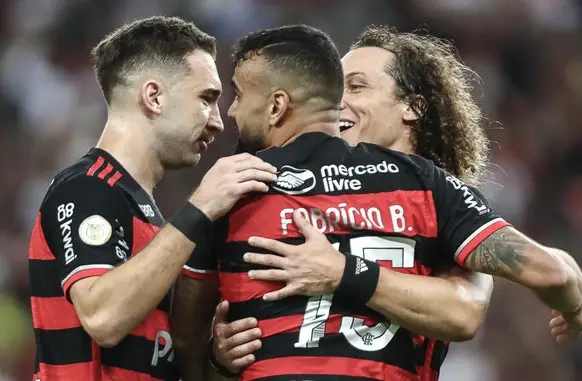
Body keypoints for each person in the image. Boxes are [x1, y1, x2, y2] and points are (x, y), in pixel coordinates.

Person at [209, 26, 582, 379]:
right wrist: (221, 354)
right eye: (336, 88)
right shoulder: (272, 182)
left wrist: (343, 271)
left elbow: (469, 309)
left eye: (355, 86)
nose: (338, 102)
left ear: (412, 107)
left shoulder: (438, 198)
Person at [28, 16, 277, 381]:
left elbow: (145, 348)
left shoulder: (145, 213)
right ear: (154, 96)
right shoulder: (87, 189)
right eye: (206, 98)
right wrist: (200, 207)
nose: (218, 122)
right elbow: (104, 317)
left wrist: (213, 357)